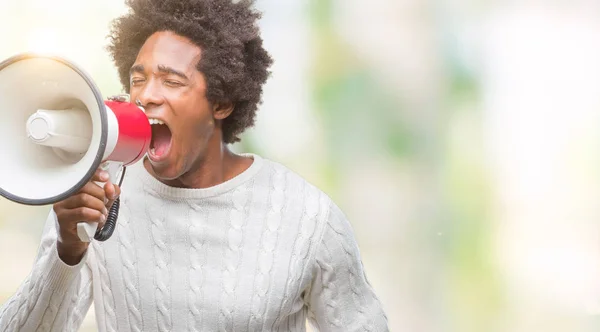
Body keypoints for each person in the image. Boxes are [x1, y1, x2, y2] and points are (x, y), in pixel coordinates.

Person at [0, 0, 389, 331]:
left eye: (171, 82)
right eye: (139, 79)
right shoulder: (92, 197)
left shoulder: (307, 216)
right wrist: (69, 250)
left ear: (221, 102)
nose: (147, 95)